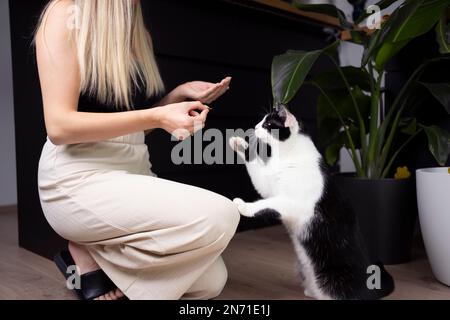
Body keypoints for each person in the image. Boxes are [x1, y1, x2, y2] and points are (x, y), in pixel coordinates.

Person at [36, 0, 240, 300]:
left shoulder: (137, 30)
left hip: (132, 167)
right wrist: (157, 117)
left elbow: (132, 124)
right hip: (77, 176)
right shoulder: (64, 13)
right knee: (222, 215)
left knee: (210, 282)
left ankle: (93, 251)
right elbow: (59, 127)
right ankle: (94, 255)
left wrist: (177, 97)